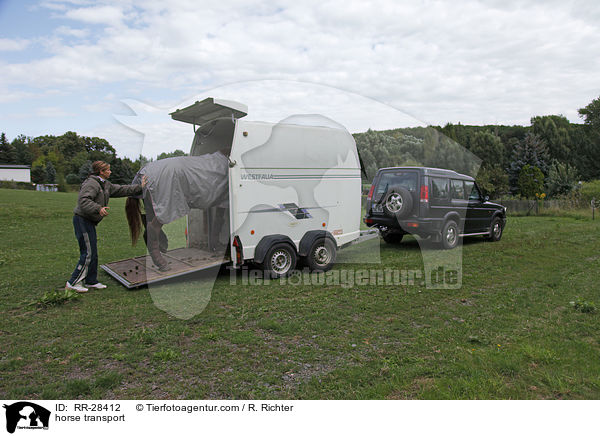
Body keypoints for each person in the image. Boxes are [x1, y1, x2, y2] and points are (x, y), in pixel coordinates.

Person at [125, 152, 229, 271]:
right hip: (168, 175)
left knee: (153, 214)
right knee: (159, 218)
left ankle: (215, 244)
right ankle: (157, 257)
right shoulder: (222, 167)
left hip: (152, 172)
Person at [66, 161, 145, 293]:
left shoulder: (105, 185)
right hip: (82, 220)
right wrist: (98, 208)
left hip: (89, 221)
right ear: (101, 172)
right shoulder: (92, 183)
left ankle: (91, 281)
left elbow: (122, 189)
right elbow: (83, 200)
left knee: (93, 252)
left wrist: (140, 187)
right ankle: (73, 282)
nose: (110, 172)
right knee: (88, 252)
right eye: (108, 170)